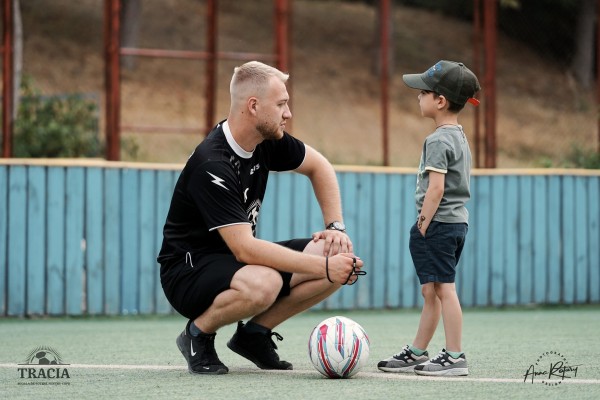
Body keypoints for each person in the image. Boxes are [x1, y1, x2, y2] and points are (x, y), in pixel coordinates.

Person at [157, 61, 365, 375]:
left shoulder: (264, 142)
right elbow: (246, 250)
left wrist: (335, 227)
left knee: (339, 254)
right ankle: (197, 334)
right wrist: (324, 268)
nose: (288, 113)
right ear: (254, 106)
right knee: (268, 281)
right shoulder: (212, 163)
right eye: (281, 104)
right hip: (188, 271)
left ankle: (253, 335)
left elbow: (319, 166)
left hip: (236, 262)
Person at [378, 60, 480, 376]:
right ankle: (417, 352)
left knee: (444, 289)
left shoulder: (437, 139)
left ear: (440, 100)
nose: (418, 97)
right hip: (456, 223)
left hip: (439, 224)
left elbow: (435, 189)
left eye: (423, 92)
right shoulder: (458, 136)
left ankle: (454, 356)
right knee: (432, 290)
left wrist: (421, 225)